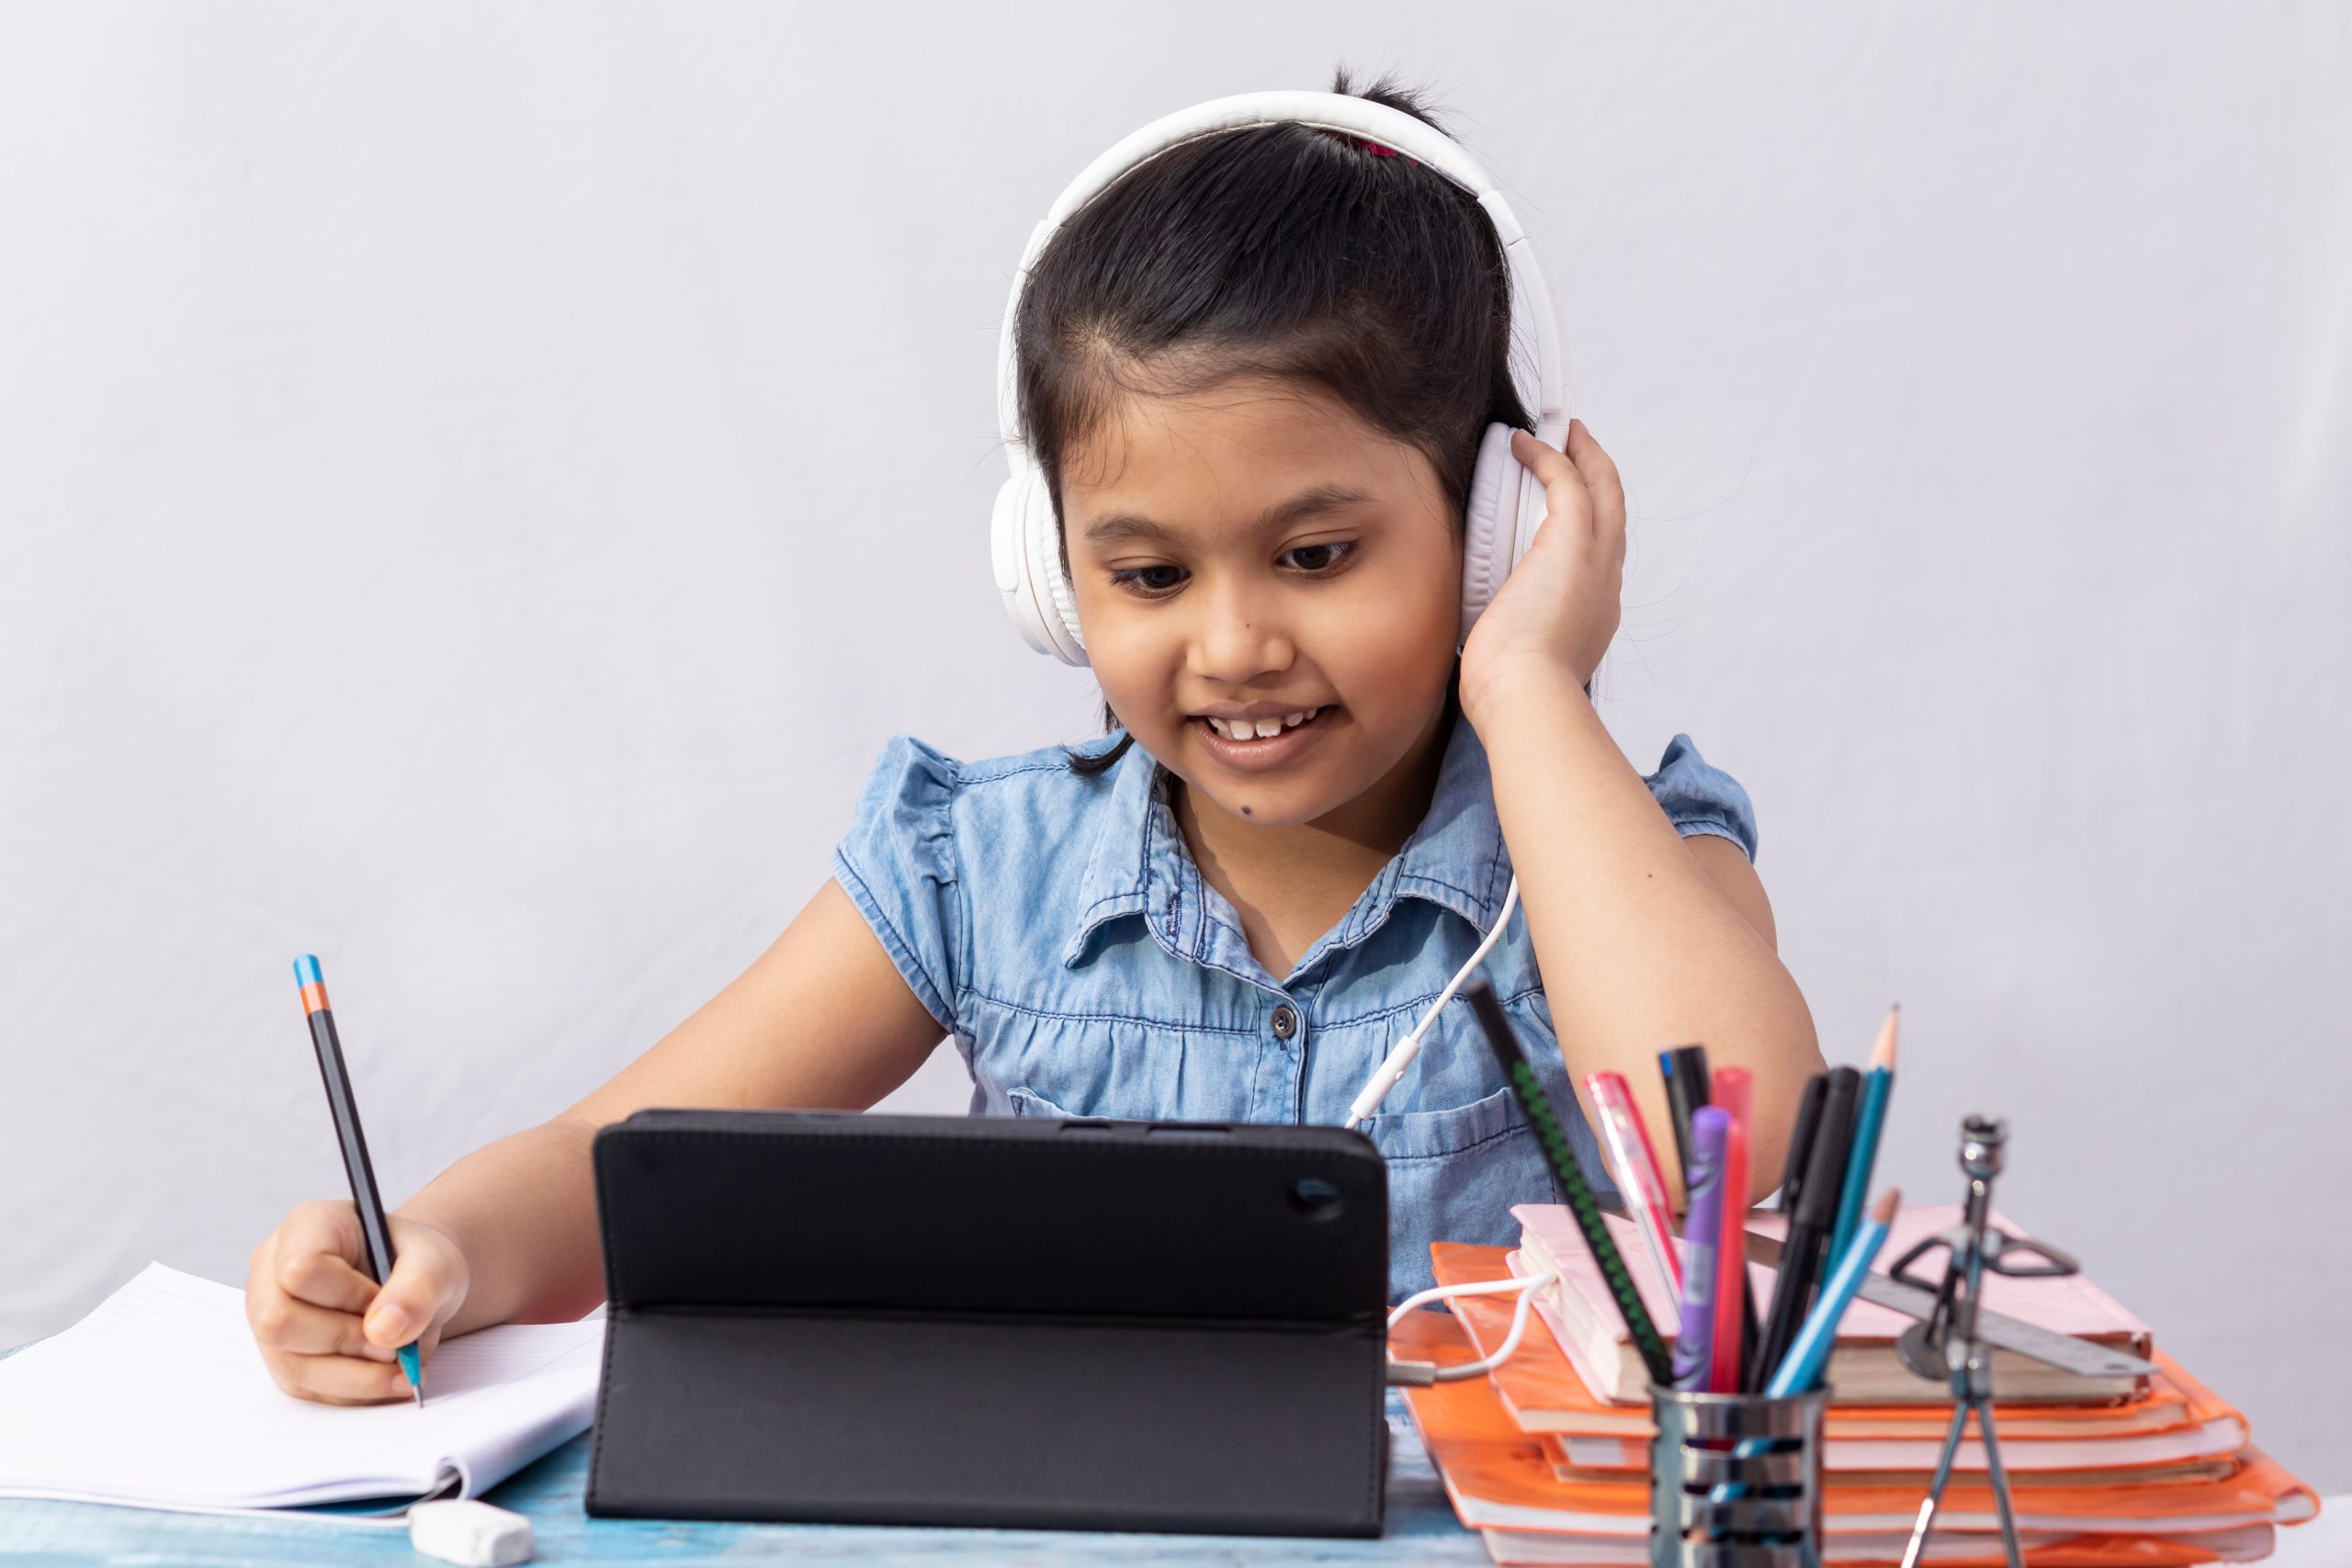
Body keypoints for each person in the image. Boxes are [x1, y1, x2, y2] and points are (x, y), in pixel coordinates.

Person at [245, 68, 1824, 1406]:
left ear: (1490, 527)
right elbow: (611, 1159)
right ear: (1049, 573)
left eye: (1317, 555)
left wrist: (1534, 688)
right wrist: (434, 1255)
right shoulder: (978, 870)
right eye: (1147, 574)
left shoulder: (1621, 854)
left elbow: (1746, 1179)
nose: (1233, 643)